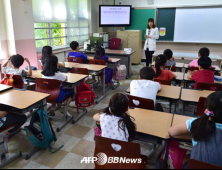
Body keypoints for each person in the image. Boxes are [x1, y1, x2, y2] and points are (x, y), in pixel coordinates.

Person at [168, 92, 222, 167]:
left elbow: (172, 131)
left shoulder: (198, 123)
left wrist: (195, 136)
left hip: (195, 166)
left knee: (187, 158)